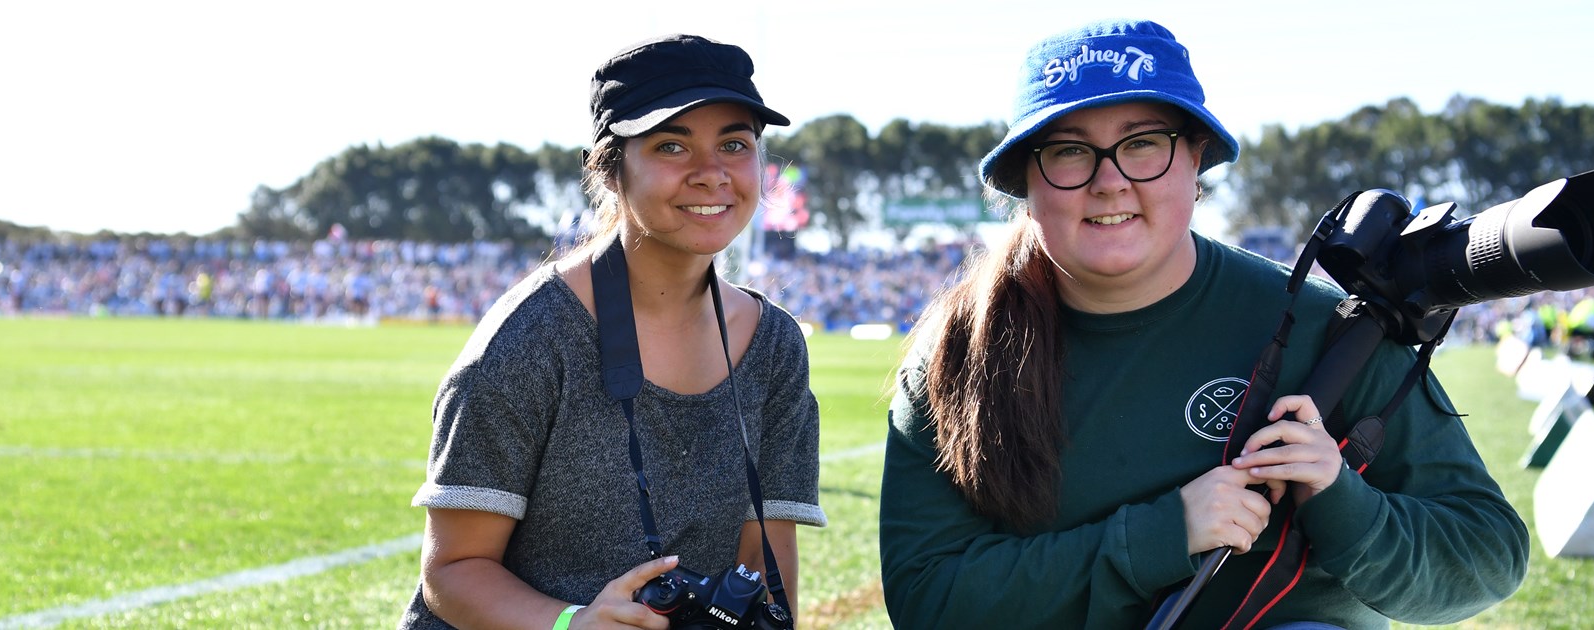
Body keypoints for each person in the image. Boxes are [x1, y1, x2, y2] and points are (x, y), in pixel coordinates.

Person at [878, 19, 1528, 629]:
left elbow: (1487, 553)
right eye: (1070, 152)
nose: (1109, 181)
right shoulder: (957, 355)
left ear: (1196, 161)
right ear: (1026, 179)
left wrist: (1338, 495)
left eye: (1142, 145)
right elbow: (928, 597)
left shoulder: (1329, 331)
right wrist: (1166, 534)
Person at [398, 34, 825, 629]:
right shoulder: (531, 337)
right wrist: (574, 623)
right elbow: (451, 572)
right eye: (671, 145)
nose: (711, 174)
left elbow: (764, 569)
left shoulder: (775, 346)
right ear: (609, 171)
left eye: (734, 144)